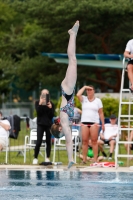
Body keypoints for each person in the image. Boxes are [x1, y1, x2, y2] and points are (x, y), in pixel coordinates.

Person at [51, 20, 79, 169]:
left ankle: (72, 34)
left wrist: (70, 159)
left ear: (59, 129)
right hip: (68, 90)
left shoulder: (63, 120)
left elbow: (69, 141)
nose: (66, 134)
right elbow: (68, 139)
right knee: (72, 61)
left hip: (68, 90)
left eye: (62, 134)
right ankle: (72, 35)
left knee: (72, 60)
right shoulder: (64, 120)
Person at [76, 85, 105, 164]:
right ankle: (84, 159)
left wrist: (103, 123)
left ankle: (95, 159)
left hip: (94, 122)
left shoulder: (98, 101)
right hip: (84, 122)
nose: (89, 91)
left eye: (90, 90)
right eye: (87, 90)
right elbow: (78, 94)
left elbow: (101, 113)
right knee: (85, 141)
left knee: (94, 141)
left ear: (94, 91)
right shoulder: (84, 99)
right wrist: (84, 87)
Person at [33, 89, 55, 164]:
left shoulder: (51, 103)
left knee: (48, 142)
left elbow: (51, 115)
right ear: (41, 95)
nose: (45, 95)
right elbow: (38, 112)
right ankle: (35, 157)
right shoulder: (37, 103)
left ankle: (47, 157)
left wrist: (50, 108)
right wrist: (40, 103)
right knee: (38, 141)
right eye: (43, 94)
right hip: (40, 125)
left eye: (46, 94)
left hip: (48, 125)